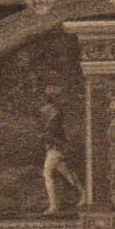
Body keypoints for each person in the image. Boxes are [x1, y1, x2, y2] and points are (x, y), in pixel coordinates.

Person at [39, 84, 84, 214]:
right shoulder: (50, 110)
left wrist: (45, 134)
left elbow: (52, 130)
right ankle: (84, 194)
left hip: (56, 146)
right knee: (67, 173)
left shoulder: (55, 112)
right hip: (53, 146)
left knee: (47, 173)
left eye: (48, 96)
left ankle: (53, 206)